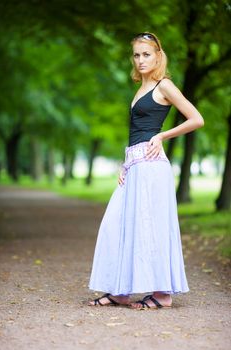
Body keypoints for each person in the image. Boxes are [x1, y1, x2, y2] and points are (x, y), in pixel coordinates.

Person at [87, 32, 204, 309]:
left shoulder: (165, 86)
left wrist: (162, 136)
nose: (141, 60)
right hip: (135, 165)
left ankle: (163, 294)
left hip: (152, 167)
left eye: (146, 54)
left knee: (151, 227)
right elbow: (135, 132)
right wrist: (124, 164)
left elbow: (197, 119)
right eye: (137, 55)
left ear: (158, 56)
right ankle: (120, 291)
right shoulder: (140, 88)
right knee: (119, 225)